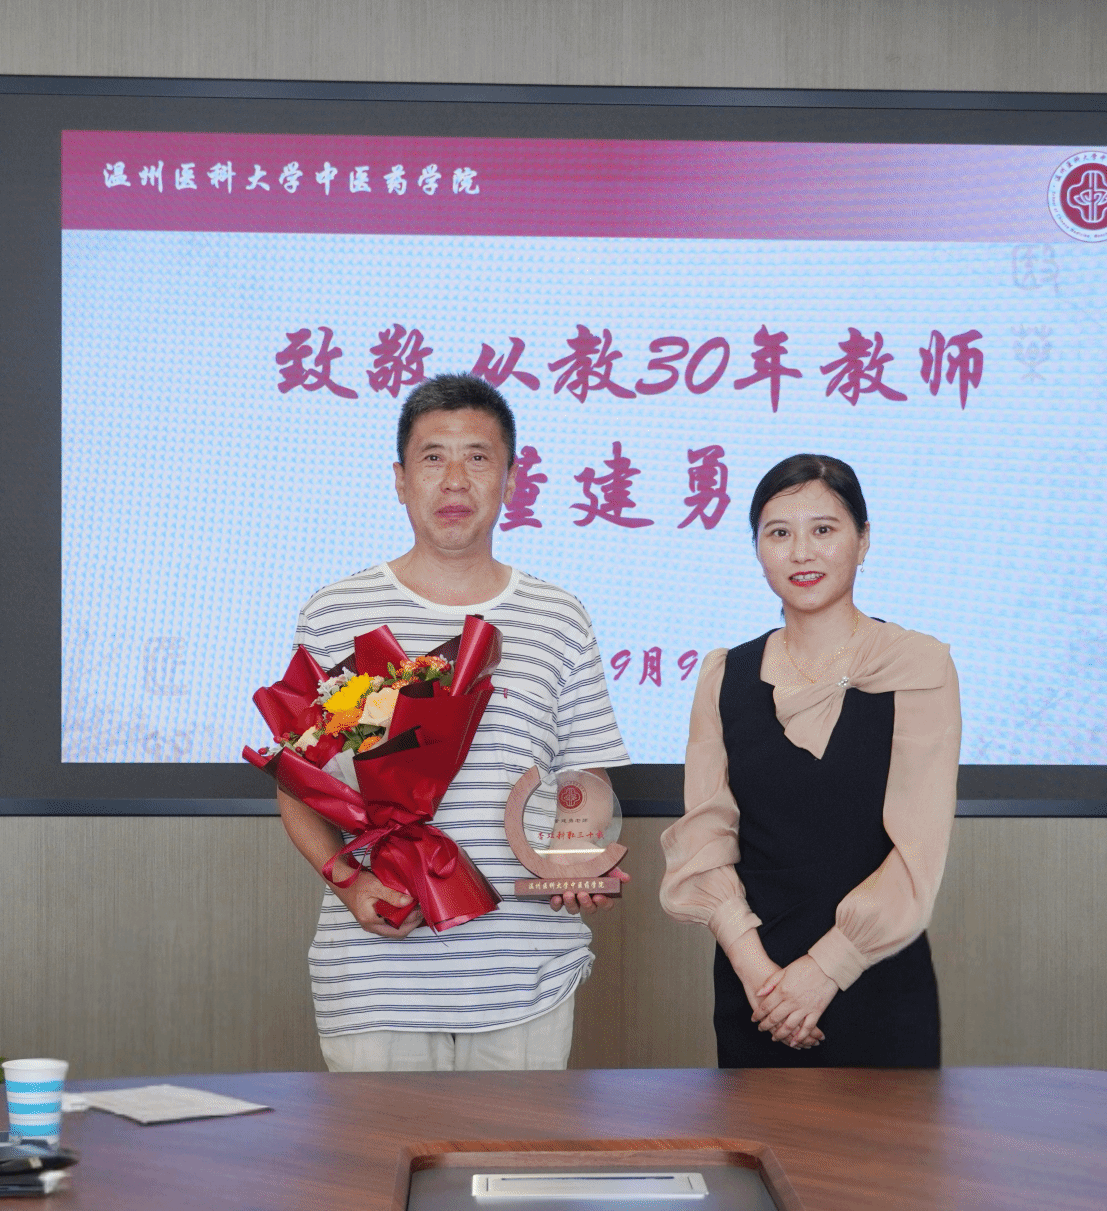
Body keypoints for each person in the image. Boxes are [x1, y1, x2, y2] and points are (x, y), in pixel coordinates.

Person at [276, 374, 631, 1073]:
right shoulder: (337, 612)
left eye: (478, 457)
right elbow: (298, 782)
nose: (455, 479)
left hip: (524, 969)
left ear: (512, 480)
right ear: (400, 480)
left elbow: (586, 777)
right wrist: (350, 883)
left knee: (515, 1148)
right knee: (380, 1150)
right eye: (433, 457)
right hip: (378, 971)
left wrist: (574, 858)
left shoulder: (559, 616)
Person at [660, 453, 961, 1067]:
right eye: (779, 533)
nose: (801, 552)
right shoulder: (724, 676)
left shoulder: (917, 666)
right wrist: (760, 975)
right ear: (757, 549)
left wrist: (823, 972)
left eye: (824, 529)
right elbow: (706, 840)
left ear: (863, 540)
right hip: (757, 989)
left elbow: (918, 849)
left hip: (874, 978)